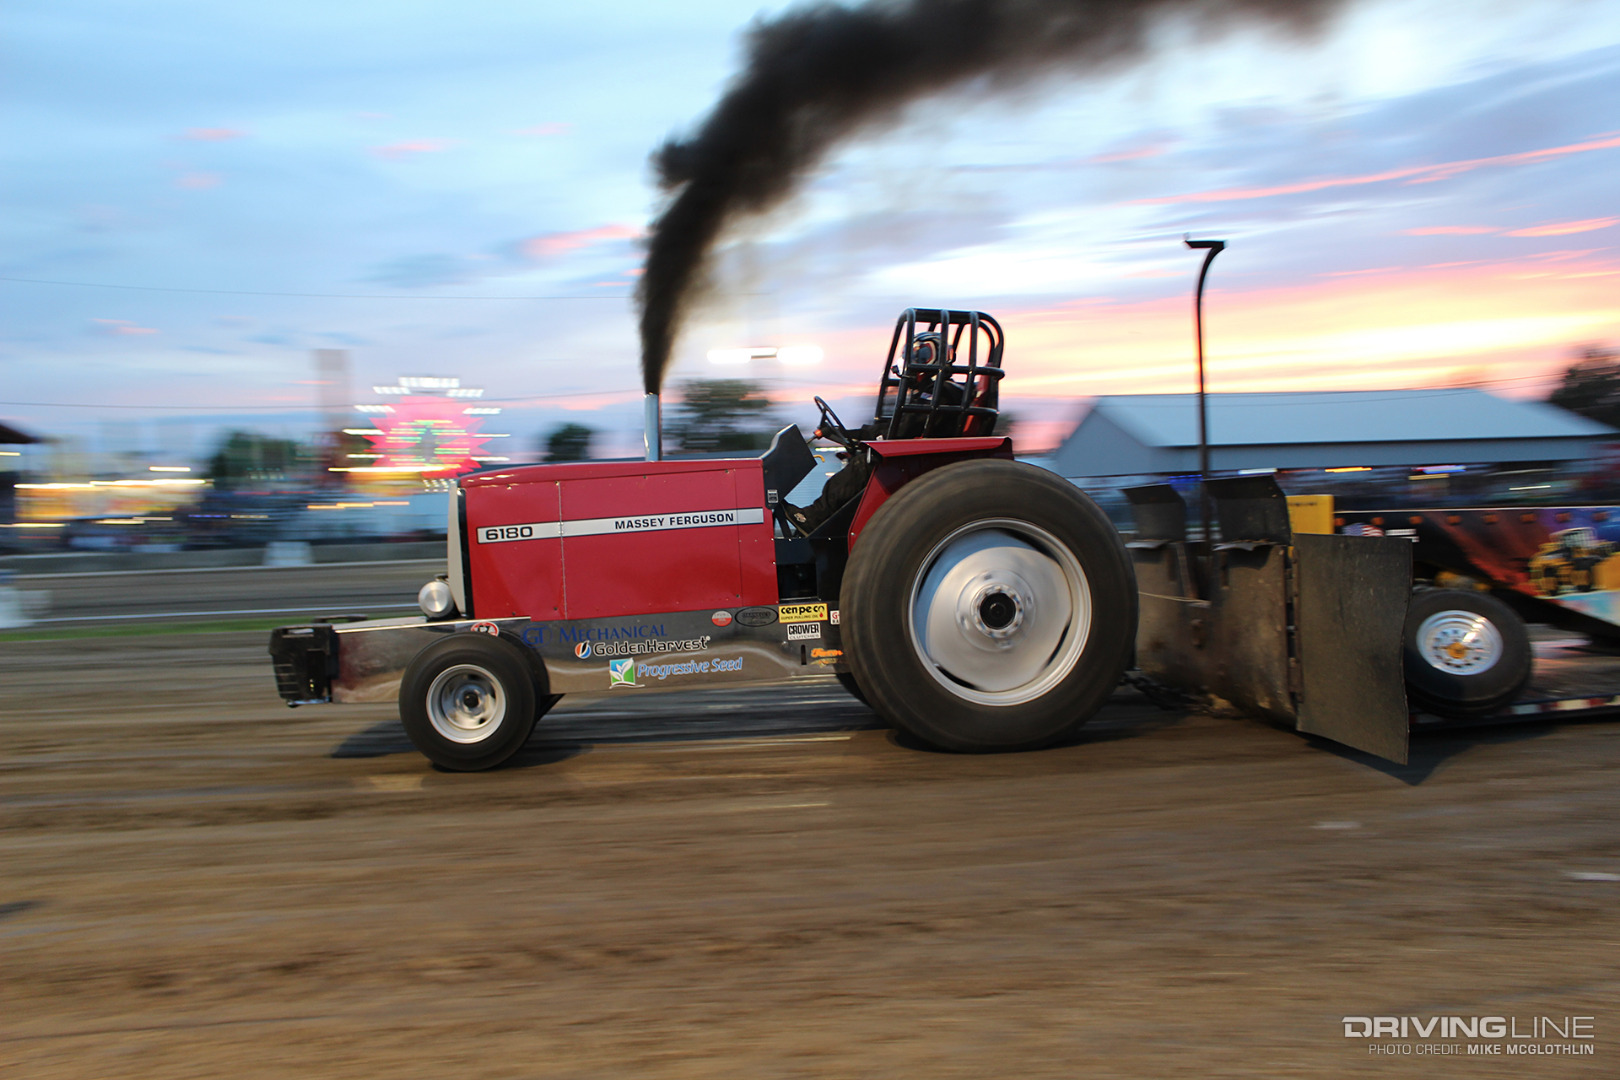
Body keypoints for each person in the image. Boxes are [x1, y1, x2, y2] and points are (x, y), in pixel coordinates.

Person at [782, 332, 965, 535]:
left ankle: (814, 518)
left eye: (922, 355)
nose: (914, 363)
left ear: (940, 358)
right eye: (912, 356)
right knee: (858, 460)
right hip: (916, 457)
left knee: (861, 465)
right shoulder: (931, 394)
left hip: (921, 462)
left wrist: (867, 438)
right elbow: (897, 427)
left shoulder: (943, 392)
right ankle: (831, 530)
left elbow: (902, 431)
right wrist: (854, 434)